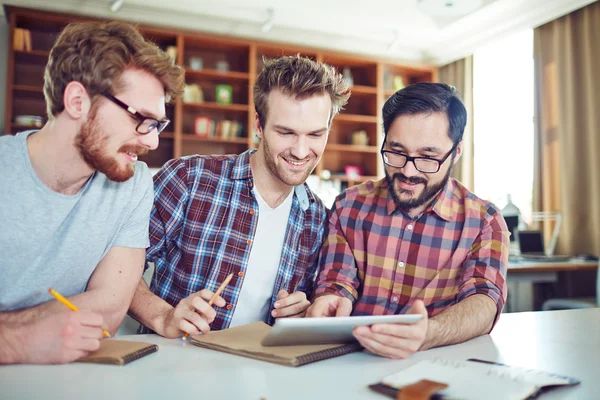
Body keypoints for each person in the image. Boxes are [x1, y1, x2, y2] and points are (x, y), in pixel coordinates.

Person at [0, 21, 185, 364]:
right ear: (76, 101)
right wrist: (16, 339)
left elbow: (108, 310)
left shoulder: (134, 183)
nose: (152, 140)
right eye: (140, 118)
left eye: (158, 124)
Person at [129, 55, 351, 338]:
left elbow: (306, 309)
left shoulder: (318, 218)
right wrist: (164, 316)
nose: (300, 150)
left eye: (316, 135)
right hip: (171, 367)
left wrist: (302, 313)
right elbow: (115, 268)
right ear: (259, 125)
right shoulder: (188, 179)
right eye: (285, 132)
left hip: (261, 373)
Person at [306, 82, 509, 359]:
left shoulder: (485, 222)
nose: (408, 170)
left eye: (428, 157)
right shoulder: (349, 206)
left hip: (438, 366)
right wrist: (330, 301)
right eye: (396, 152)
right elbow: (337, 282)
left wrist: (428, 333)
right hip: (354, 362)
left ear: (456, 152)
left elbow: (484, 302)